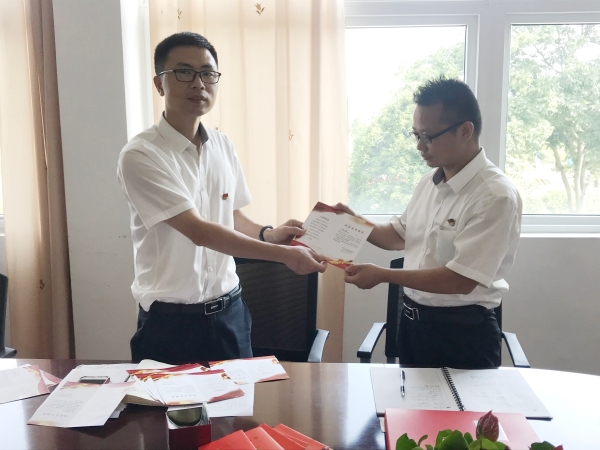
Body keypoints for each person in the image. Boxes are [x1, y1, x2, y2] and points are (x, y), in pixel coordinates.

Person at [117, 32, 327, 364]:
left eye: (207, 73)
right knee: (166, 401)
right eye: (184, 72)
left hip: (230, 313)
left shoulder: (222, 144)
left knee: (239, 400)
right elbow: (199, 231)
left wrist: (268, 234)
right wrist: (282, 256)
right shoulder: (142, 155)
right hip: (171, 323)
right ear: (159, 84)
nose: (198, 83)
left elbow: (231, 215)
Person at [338, 77, 522, 369]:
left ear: (465, 131)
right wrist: (352, 222)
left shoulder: (494, 196)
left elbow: (461, 279)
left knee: (458, 403)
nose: (419, 146)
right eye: (416, 134)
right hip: (413, 326)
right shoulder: (429, 182)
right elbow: (398, 235)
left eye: (428, 136)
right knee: (408, 399)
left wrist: (383, 275)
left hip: (462, 334)